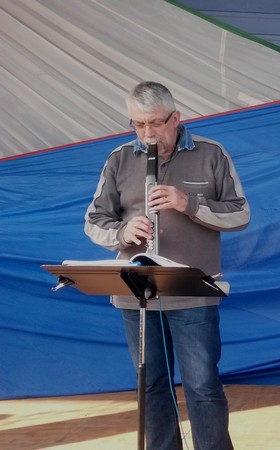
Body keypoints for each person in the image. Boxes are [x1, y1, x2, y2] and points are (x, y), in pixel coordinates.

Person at [84, 81, 250, 450]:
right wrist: (123, 232)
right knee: (151, 384)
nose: (147, 134)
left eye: (156, 123)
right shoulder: (119, 159)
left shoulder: (211, 153)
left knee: (203, 384)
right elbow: (94, 222)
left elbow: (240, 214)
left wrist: (188, 203)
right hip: (138, 294)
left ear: (175, 118)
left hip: (193, 293)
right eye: (138, 124)